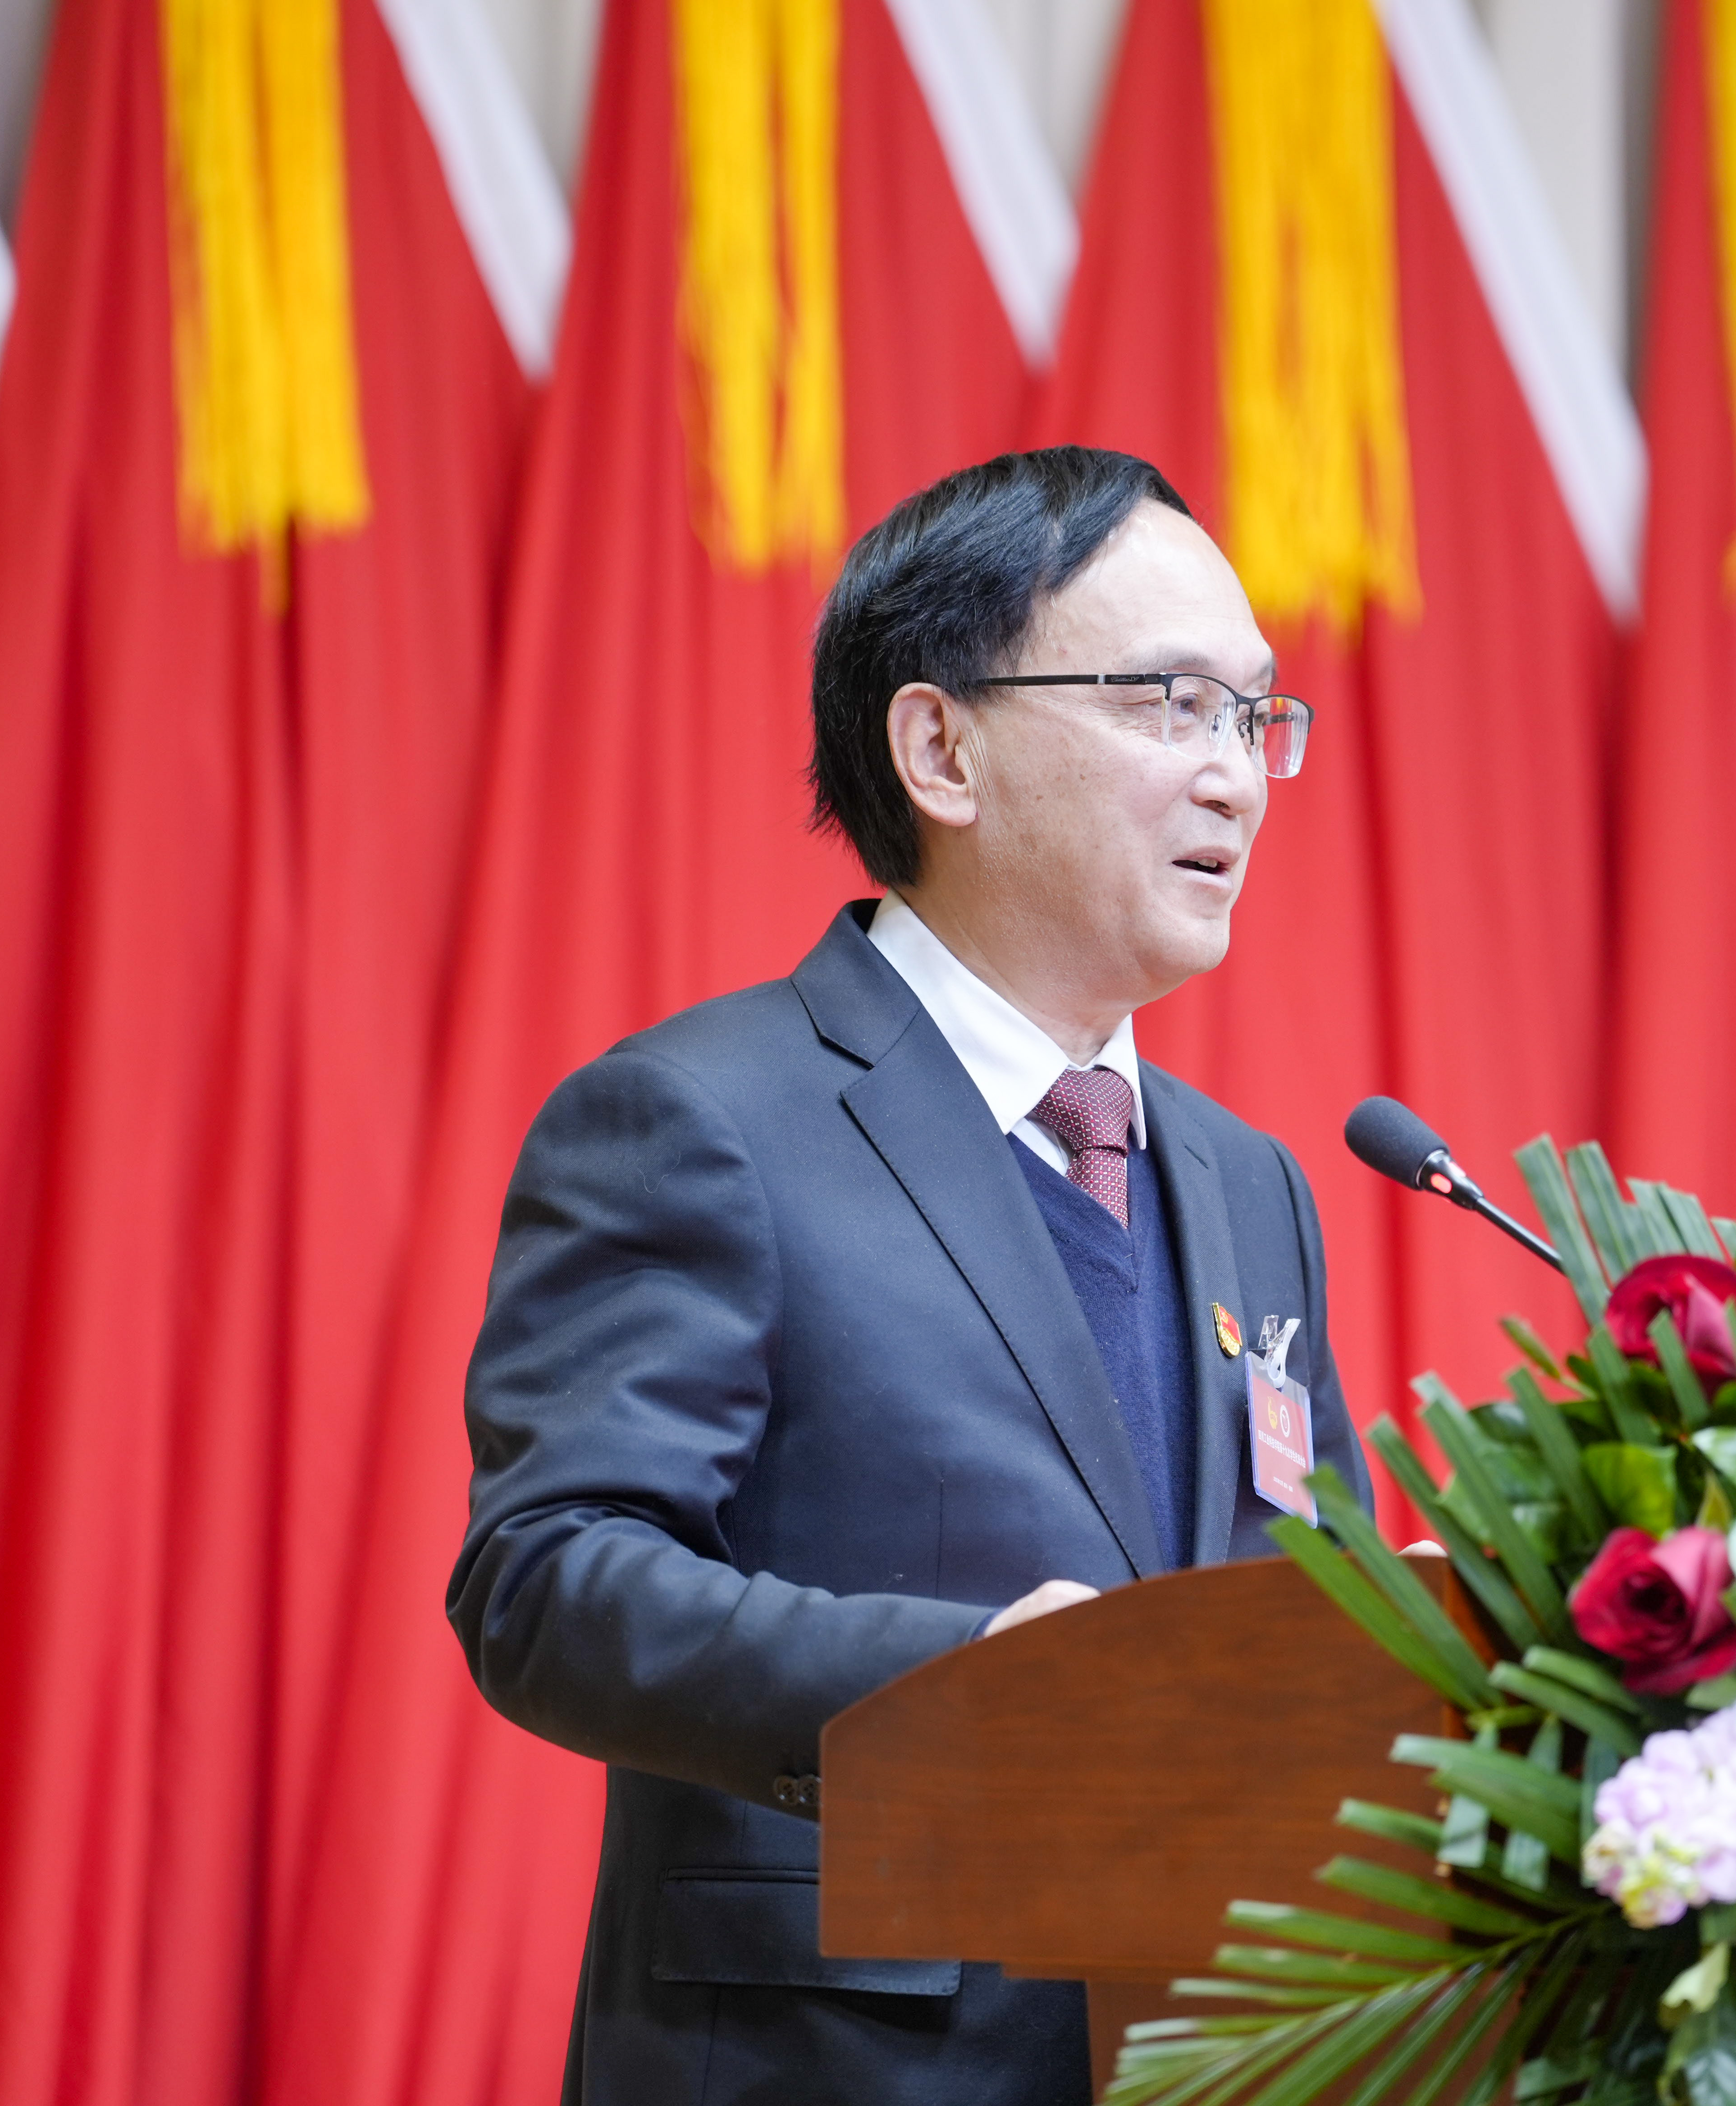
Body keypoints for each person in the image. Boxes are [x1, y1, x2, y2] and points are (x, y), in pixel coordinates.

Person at [448, 446, 1374, 2106]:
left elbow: (1306, 1587)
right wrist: (961, 1693)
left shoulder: (1255, 1183)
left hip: (1215, 2053)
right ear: (942, 748)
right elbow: (545, 1583)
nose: (1235, 775)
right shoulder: (704, 1119)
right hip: (838, 2057)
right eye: (1172, 704)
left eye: (1255, 717)